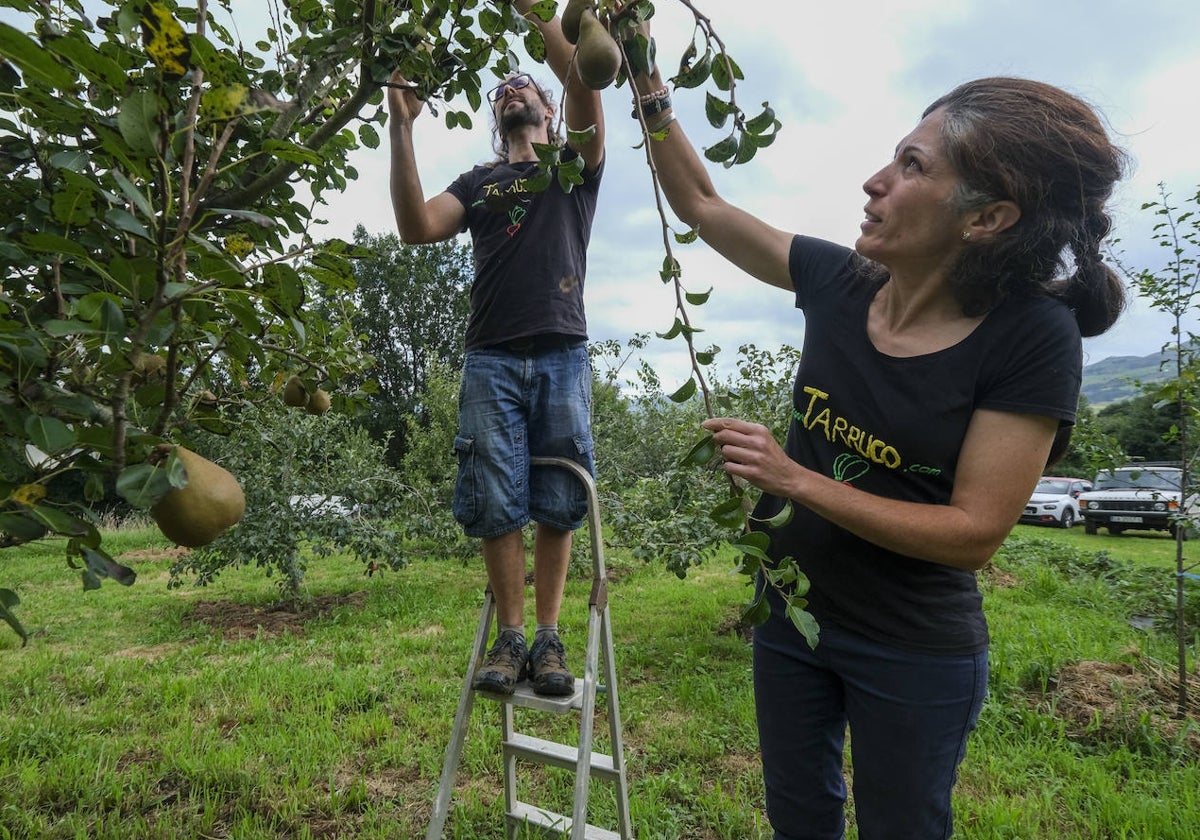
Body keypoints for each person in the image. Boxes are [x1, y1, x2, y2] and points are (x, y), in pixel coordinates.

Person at [625, 33, 1127, 840]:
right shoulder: (837, 282)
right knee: (799, 818)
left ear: (989, 218)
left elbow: (973, 535)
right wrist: (644, 70)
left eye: (914, 166)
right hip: (792, 615)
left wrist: (793, 480)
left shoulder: (1031, 337)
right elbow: (703, 207)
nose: (876, 181)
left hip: (913, 649)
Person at [387, 1, 606, 697]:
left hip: (562, 351)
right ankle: (510, 635)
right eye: (501, 90)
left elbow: (583, 77)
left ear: (545, 107)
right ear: (497, 120)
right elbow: (417, 227)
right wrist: (401, 128)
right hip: (490, 356)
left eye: (525, 86)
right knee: (493, 491)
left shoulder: (572, 166)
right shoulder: (478, 184)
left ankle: (548, 635)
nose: (512, 89)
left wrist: (537, 13)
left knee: (560, 493)